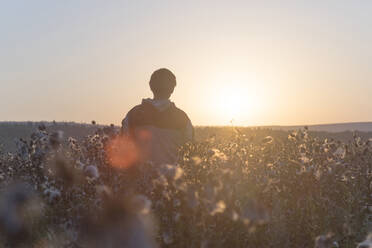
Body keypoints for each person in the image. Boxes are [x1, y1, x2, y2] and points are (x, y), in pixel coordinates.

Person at [121, 68, 193, 165]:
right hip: (171, 178)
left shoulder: (134, 114)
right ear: (172, 89)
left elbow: (122, 146)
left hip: (139, 178)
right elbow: (190, 149)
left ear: (151, 86)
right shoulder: (181, 117)